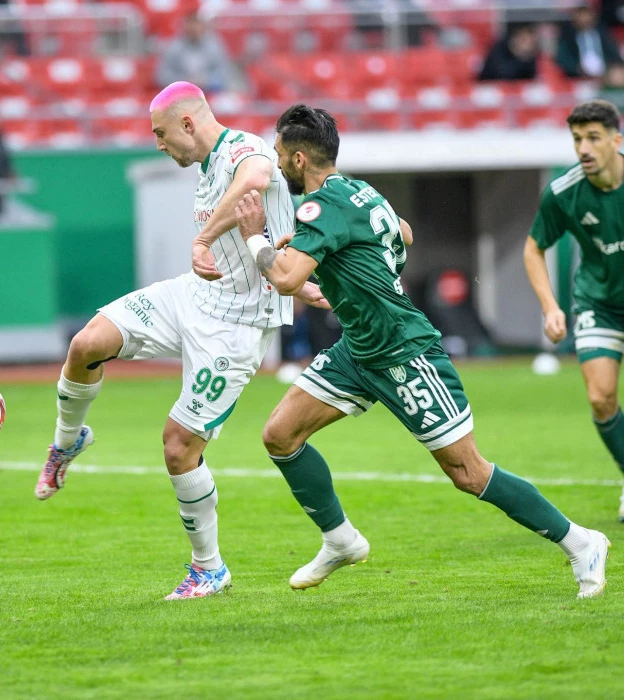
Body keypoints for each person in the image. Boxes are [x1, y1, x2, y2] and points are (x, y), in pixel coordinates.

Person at [234, 104, 610, 599]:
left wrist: (254, 236)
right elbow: (403, 233)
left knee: (468, 472)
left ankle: (582, 542)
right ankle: (340, 539)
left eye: (280, 152)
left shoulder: (322, 206)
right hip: (359, 349)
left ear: (299, 159)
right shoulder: (359, 191)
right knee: (281, 435)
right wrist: (331, 257)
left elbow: (284, 278)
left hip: (403, 352)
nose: (277, 160)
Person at [33, 82, 329, 600]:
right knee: (86, 344)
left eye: (161, 133)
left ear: (188, 124)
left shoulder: (245, 148)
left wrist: (203, 238)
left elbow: (257, 177)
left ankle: (208, 569)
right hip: (192, 297)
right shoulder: (206, 167)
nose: (159, 144)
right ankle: (67, 440)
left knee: (178, 447)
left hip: (237, 327)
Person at [524, 99, 624, 522]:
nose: (584, 148)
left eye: (593, 138)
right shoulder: (564, 192)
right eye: (577, 138)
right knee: (600, 397)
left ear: (616, 141)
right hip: (598, 301)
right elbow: (533, 248)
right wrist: (550, 307)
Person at [157, 12, 234, 94]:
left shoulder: (214, 47)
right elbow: (162, 76)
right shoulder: (173, 47)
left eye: (197, 25)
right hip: (180, 94)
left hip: (210, 93)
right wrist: (185, 82)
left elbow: (224, 74)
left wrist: (205, 81)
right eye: (191, 25)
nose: (194, 28)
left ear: (204, 27)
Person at [556, 3, 624, 87]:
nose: (585, 20)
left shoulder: (603, 34)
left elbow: (613, 53)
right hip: (578, 76)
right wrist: (577, 69)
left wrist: (611, 68)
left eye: (587, 16)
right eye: (581, 17)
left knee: (618, 75)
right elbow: (563, 59)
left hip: (605, 74)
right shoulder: (567, 37)